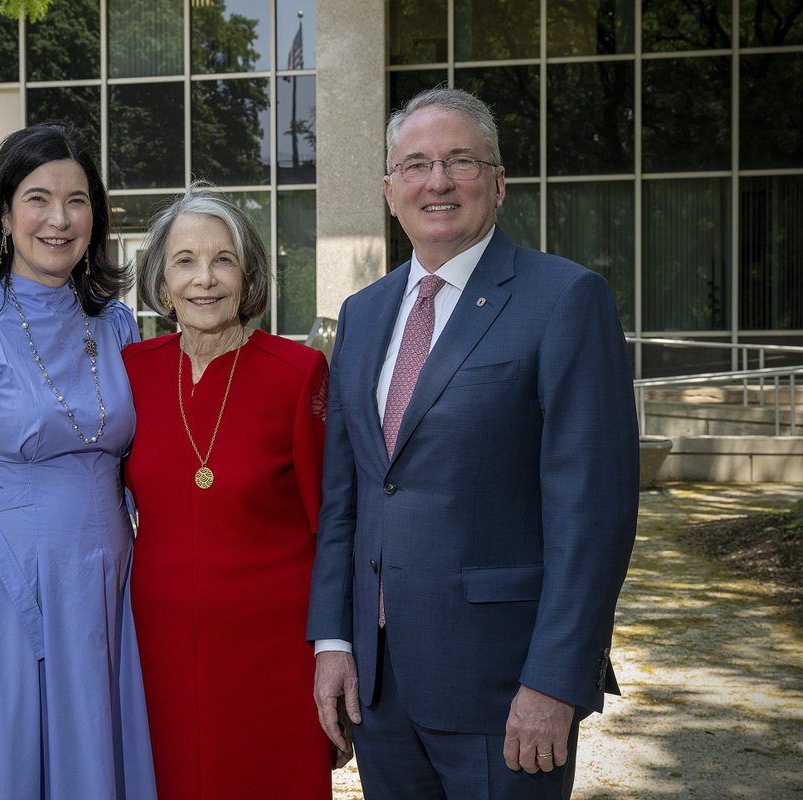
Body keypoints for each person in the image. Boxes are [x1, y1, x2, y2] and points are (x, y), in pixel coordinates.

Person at [307, 87, 640, 799]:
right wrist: (333, 642)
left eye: (460, 160)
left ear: (498, 181)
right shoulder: (363, 316)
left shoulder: (565, 299)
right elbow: (348, 498)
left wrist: (554, 680)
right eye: (417, 164)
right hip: (381, 688)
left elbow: (594, 515)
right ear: (390, 189)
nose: (438, 181)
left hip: (504, 691)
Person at [0, 123, 157, 799]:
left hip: (109, 595)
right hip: (5, 594)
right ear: (6, 214)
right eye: (39, 198)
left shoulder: (118, 325)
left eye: (78, 200)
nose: (60, 218)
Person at [123, 181, 335, 799]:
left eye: (223, 259)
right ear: (162, 284)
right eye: (184, 261)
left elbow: (333, 526)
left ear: (248, 277)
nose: (204, 279)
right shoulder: (133, 370)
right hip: (156, 644)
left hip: (275, 651)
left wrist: (334, 651)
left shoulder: (299, 375)